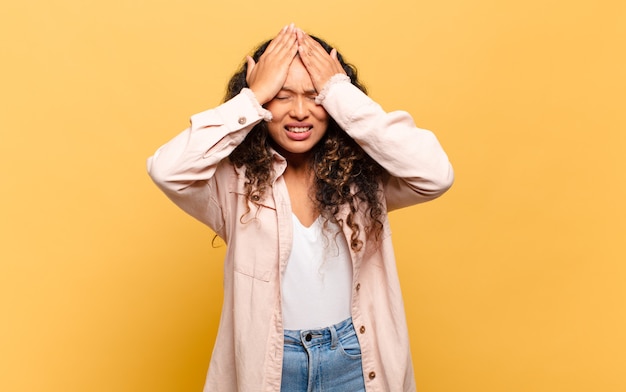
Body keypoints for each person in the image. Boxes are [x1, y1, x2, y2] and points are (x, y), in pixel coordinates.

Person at [147, 23, 454, 392]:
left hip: (355, 361)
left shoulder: (361, 175)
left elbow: (435, 175)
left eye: (314, 95)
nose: (299, 112)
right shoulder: (232, 183)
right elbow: (167, 169)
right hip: (271, 366)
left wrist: (340, 94)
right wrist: (252, 96)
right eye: (281, 94)